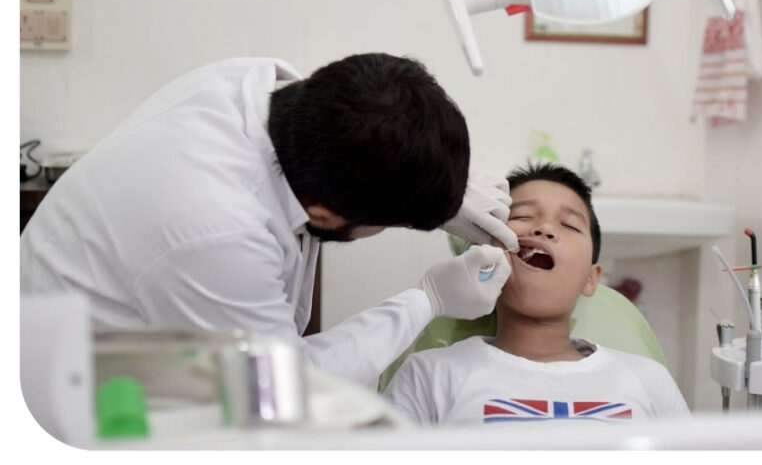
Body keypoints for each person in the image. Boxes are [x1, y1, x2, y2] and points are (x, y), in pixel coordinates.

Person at [20, 53, 518, 390]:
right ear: (323, 214)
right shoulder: (217, 231)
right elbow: (286, 388)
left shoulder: (267, 89)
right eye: (387, 224)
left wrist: (434, 181)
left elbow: (367, 126)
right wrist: (426, 299)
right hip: (73, 389)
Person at [383, 162, 690, 425]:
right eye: (522, 217)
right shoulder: (429, 375)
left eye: (569, 225)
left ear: (590, 278)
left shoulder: (649, 381)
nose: (544, 229)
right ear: (485, 252)